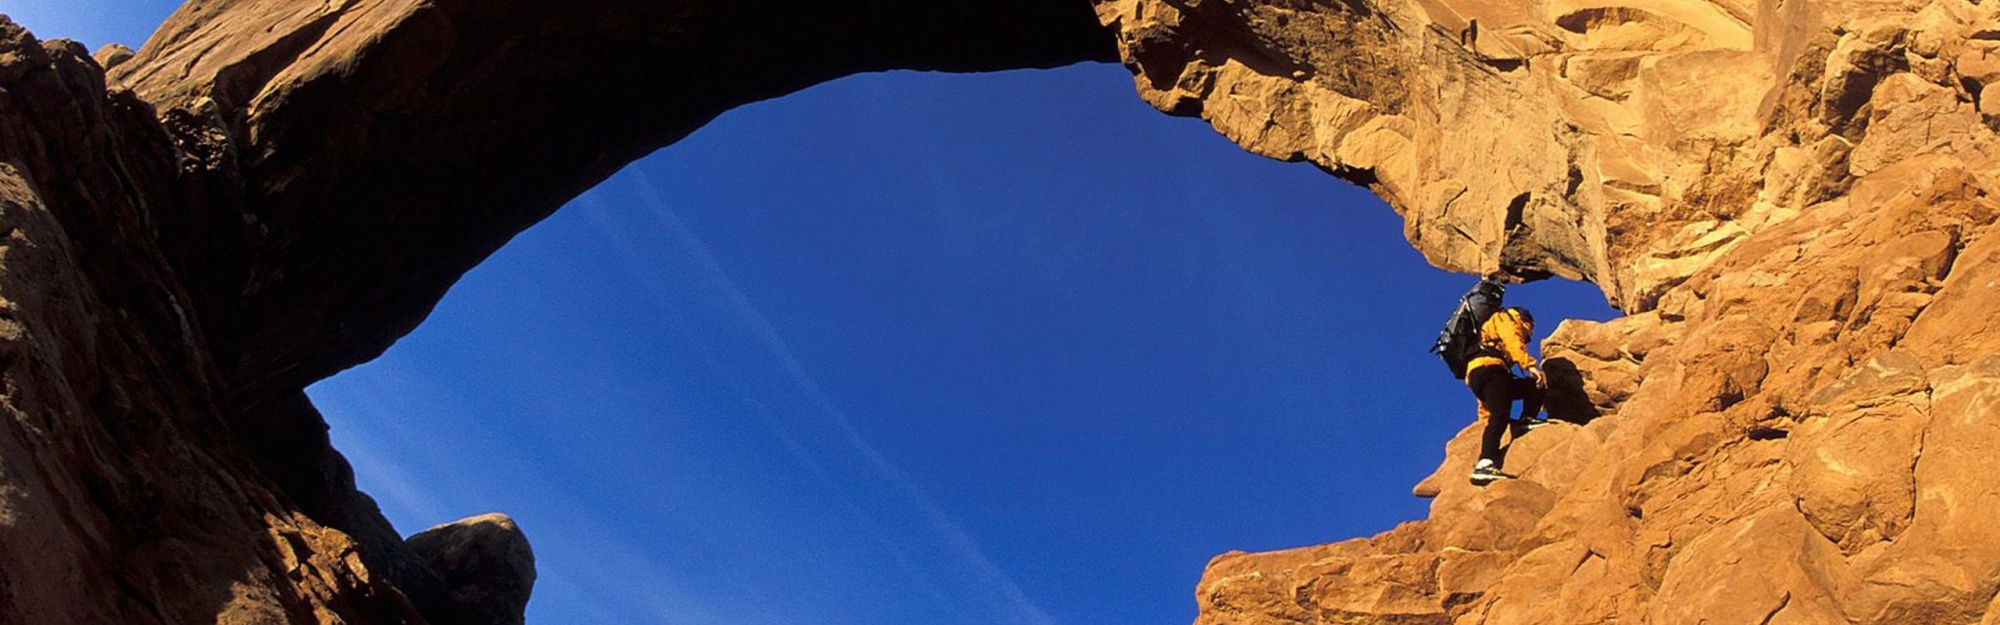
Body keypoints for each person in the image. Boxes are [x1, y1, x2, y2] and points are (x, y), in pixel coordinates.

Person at [1466, 306, 1548, 484]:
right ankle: (1484, 464)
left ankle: (1526, 420)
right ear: (1525, 322)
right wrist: (1530, 365)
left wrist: (1483, 415)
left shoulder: (1492, 328)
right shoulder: (1506, 319)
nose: (1527, 338)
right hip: (1491, 370)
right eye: (1528, 333)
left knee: (1531, 386)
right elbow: (1513, 341)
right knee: (1501, 415)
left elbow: (1487, 397)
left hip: (1480, 374)